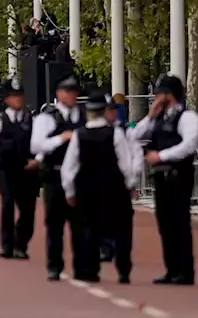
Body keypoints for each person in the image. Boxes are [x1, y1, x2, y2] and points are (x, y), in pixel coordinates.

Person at [62, 90, 140, 283]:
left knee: (88, 229)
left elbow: (69, 167)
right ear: (104, 111)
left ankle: (89, 269)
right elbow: (124, 163)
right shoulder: (115, 134)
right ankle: (123, 269)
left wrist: (70, 191)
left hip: (87, 188)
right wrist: (130, 184)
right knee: (121, 229)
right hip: (113, 187)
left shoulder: (79, 135)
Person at [133, 74, 198, 285]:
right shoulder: (159, 117)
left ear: (170, 94)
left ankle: (184, 271)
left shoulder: (187, 117)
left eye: (160, 93)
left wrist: (161, 156)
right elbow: (133, 135)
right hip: (160, 177)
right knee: (164, 224)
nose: (157, 97)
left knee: (179, 222)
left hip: (178, 175)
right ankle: (171, 269)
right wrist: (150, 116)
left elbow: (189, 145)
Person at [32, 75, 85, 281]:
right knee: (55, 224)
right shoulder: (47, 118)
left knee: (80, 224)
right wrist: (60, 139)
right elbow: (37, 145)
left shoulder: (83, 116)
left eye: (74, 92)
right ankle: (54, 266)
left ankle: (82, 266)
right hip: (54, 175)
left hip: (79, 176)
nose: (72, 95)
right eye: (67, 91)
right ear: (58, 94)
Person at [0, 79, 38, 260]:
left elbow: (38, 144)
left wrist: (37, 160)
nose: (17, 100)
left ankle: (20, 244)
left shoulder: (29, 119)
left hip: (26, 170)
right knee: (7, 206)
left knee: (28, 210)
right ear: (6, 99)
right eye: (13, 96)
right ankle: (7, 246)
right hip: (6, 171)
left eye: (19, 96)